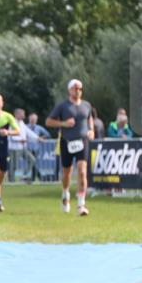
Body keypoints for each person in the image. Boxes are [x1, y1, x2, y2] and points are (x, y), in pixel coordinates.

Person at [46, 79, 95, 216]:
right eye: (74, 88)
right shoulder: (62, 106)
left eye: (79, 88)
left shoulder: (86, 105)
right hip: (66, 141)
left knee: (82, 171)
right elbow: (49, 121)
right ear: (69, 90)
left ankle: (81, 204)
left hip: (82, 141)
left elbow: (89, 117)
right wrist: (64, 123)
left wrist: (91, 130)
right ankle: (65, 193)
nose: (77, 91)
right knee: (67, 173)